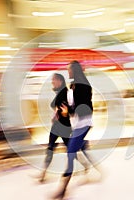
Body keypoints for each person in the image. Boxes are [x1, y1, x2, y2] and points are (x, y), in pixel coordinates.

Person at [51, 61, 96, 199]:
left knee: (70, 153)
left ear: (74, 70)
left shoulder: (83, 86)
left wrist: (68, 111)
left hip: (83, 124)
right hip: (77, 124)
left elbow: (84, 107)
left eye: (69, 69)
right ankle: (87, 154)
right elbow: (74, 105)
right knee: (76, 147)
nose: (68, 72)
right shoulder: (74, 85)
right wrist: (64, 109)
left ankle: (63, 189)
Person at [39, 73, 89, 183]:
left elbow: (69, 109)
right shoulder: (59, 93)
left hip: (65, 128)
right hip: (56, 127)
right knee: (50, 148)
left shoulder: (66, 93)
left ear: (60, 81)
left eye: (54, 80)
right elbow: (54, 105)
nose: (52, 82)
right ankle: (43, 174)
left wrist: (60, 112)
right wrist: (57, 112)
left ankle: (85, 164)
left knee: (71, 151)